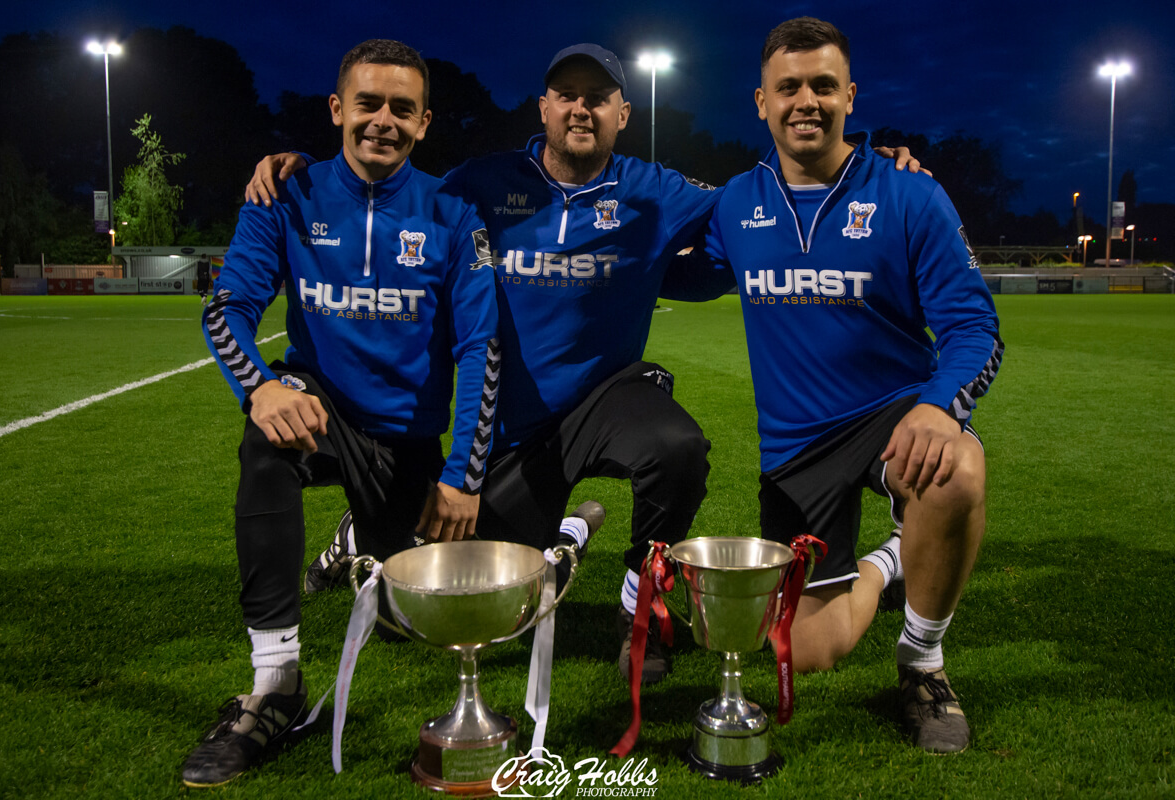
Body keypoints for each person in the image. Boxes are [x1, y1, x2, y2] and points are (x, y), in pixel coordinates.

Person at [246, 43, 924, 686]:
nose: (580, 109)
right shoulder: (479, 184)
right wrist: (300, 169)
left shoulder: (658, 190)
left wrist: (859, 164)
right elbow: (394, 193)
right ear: (542, 107)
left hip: (604, 400)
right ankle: (371, 533)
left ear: (621, 116)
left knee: (677, 447)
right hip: (511, 433)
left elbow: (765, 202)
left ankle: (643, 606)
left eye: (597, 99)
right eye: (566, 96)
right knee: (464, 611)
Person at [669, 17, 1003, 753]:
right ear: (761, 101)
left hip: (893, 417)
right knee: (804, 652)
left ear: (851, 95)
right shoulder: (735, 204)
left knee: (955, 472)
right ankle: (891, 559)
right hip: (797, 449)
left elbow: (975, 327)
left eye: (824, 85)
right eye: (788, 87)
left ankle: (922, 663)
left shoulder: (910, 194)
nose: (806, 101)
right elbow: (669, 272)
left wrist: (937, 408)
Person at [183, 39, 499, 788]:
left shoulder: (455, 214)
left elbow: (484, 349)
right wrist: (262, 388)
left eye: (401, 108)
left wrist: (462, 474)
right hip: (318, 411)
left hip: (407, 443)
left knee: (413, 617)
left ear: (424, 123)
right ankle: (274, 684)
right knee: (266, 446)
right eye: (367, 103)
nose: (382, 121)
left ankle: (359, 537)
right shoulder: (284, 195)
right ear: (337, 110)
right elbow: (227, 307)